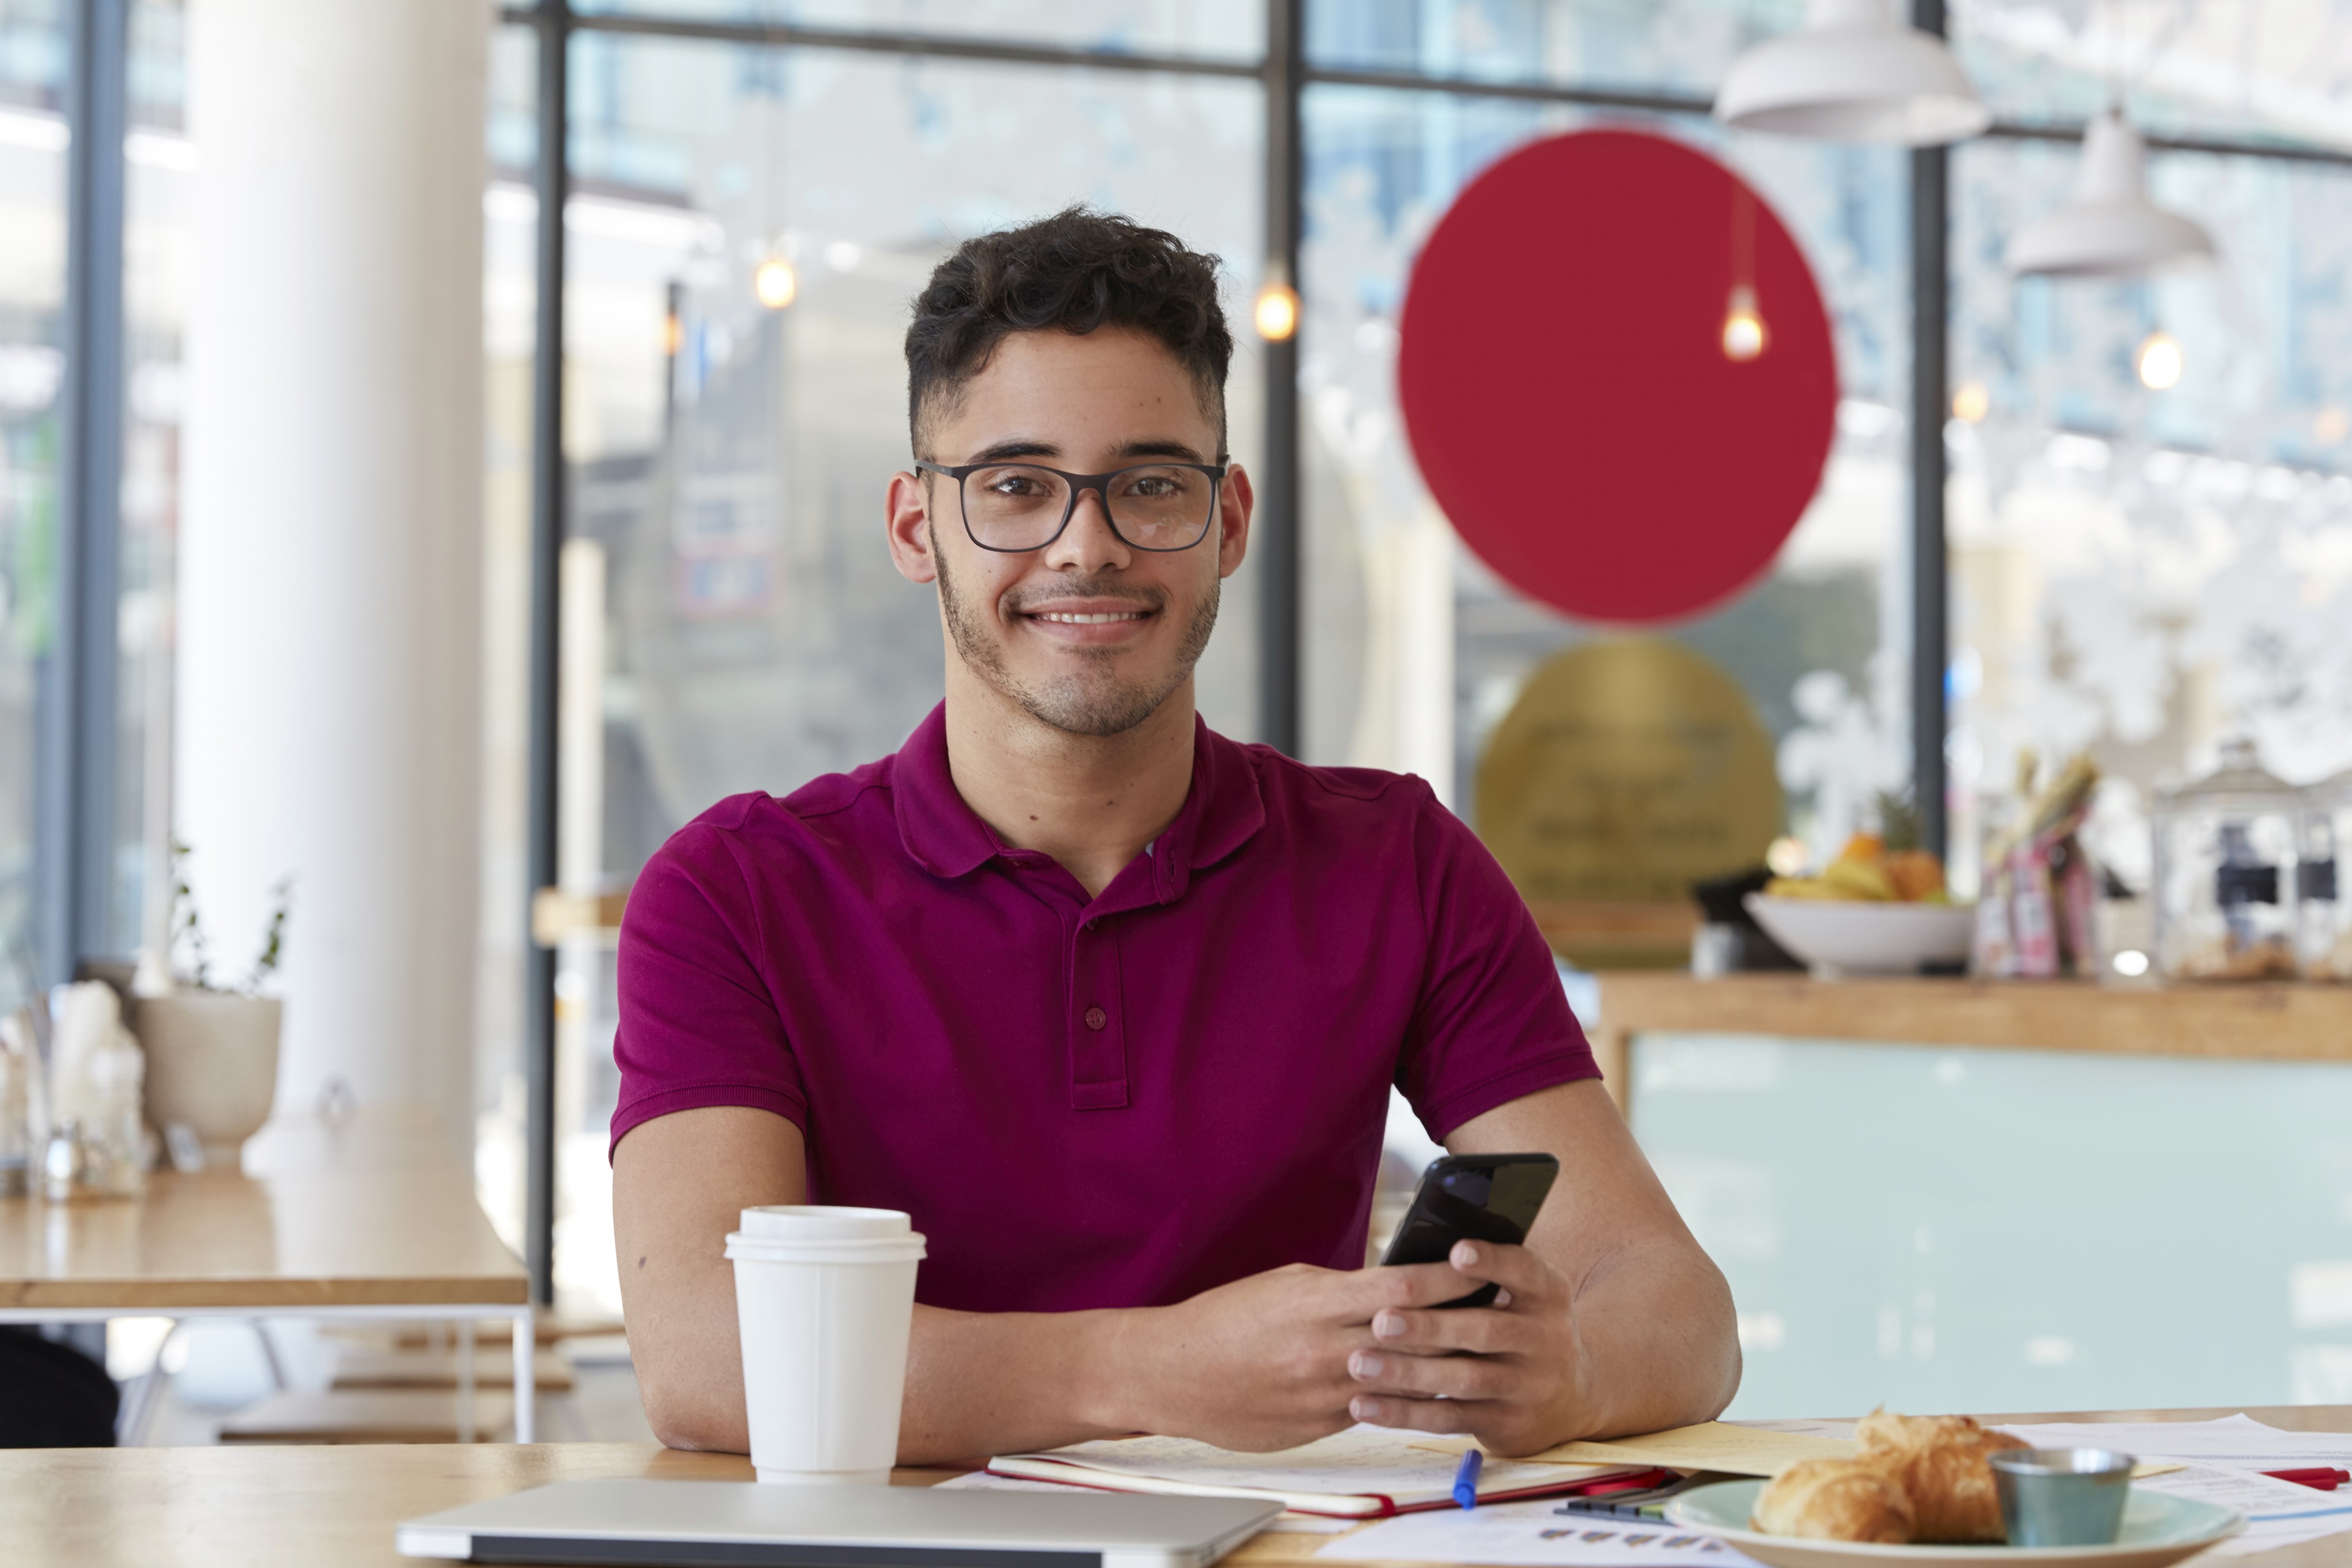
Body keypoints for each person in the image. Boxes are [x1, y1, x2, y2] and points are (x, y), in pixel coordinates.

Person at [611, 208, 1738, 1465]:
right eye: (1015, 488)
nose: (1083, 546)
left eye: (1149, 484)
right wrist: (1152, 1365)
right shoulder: (734, 893)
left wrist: (1569, 1371)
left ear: (1229, 523)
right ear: (915, 527)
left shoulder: (1395, 863)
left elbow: (1681, 1311)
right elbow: (704, 1361)